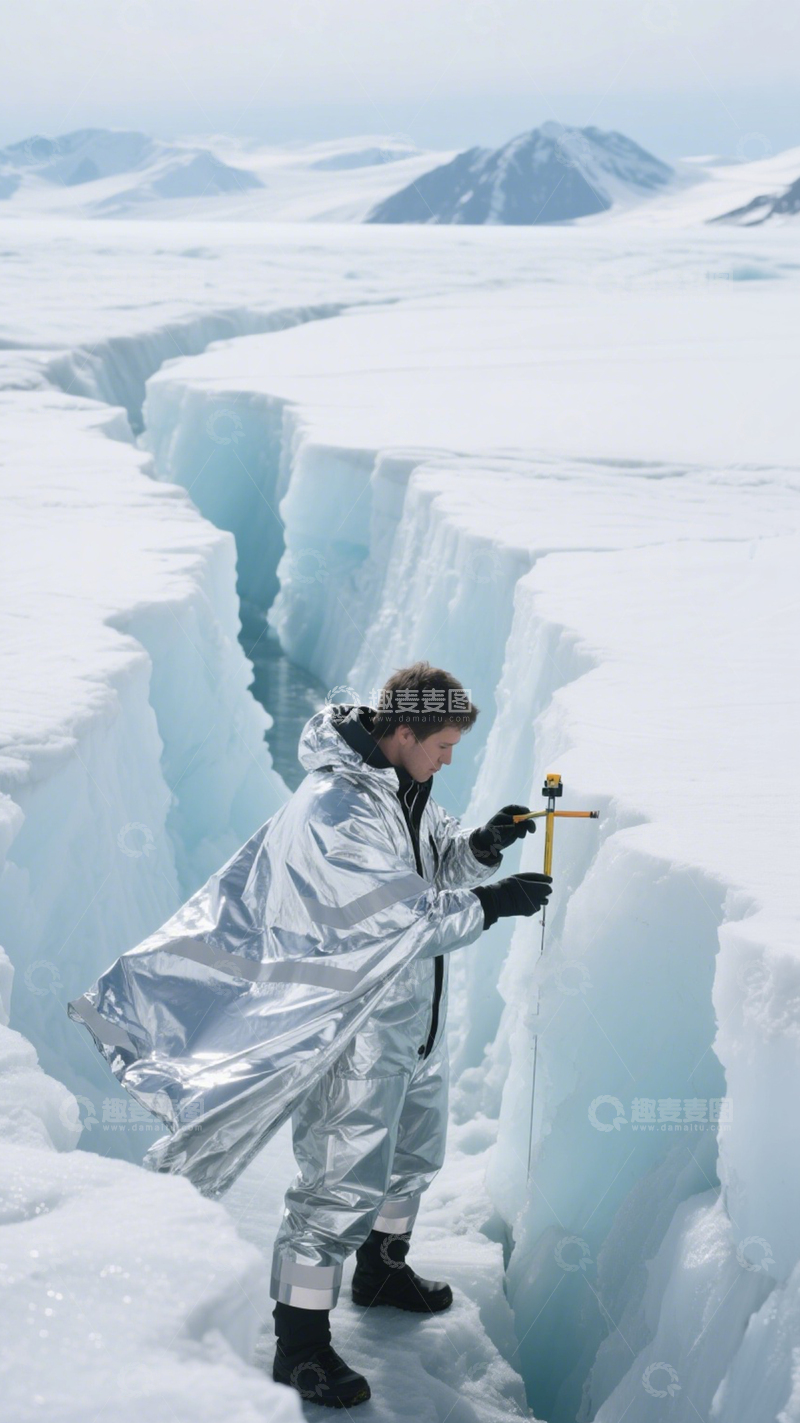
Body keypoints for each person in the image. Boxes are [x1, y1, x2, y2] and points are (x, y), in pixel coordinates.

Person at [269, 661, 552, 1408]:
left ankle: (382, 1266)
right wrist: (491, 906)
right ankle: (298, 1343)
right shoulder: (338, 808)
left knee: (413, 1155)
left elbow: (436, 858)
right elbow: (400, 919)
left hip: (413, 1021)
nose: (449, 757)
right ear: (404, 732)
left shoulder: (405, 785)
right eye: (445, 745)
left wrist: (484, 845)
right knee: (335, 1185)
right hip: (355, 1028)